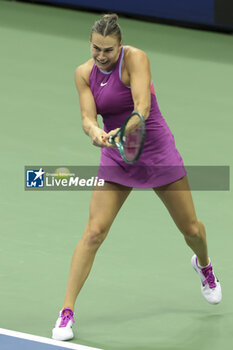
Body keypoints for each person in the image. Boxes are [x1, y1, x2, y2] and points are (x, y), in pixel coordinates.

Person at [52, 14, 222, 341]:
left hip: (156, 150)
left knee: (190, 229)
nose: (102, 56)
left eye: (109, 50)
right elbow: (87, 117)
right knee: (94, 232)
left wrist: (122, 130)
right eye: (96, 49)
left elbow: (142, 107)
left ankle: (204, 265)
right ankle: (66, 310)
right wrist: (96, 132)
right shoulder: (83, 74)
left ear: (120, 45)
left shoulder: (136, 58)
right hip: (117, 156)